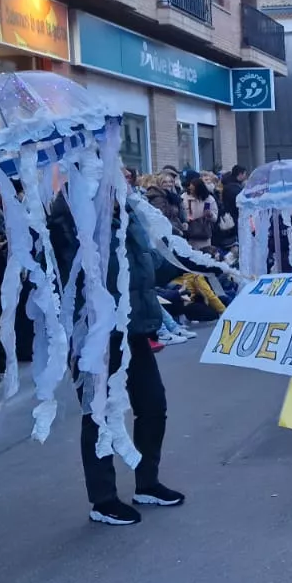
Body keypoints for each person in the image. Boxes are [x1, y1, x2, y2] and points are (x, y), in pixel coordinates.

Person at [51, 195, 185, 526]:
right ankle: (103, 500)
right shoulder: (70, 219)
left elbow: (148, 263)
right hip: (95, 337)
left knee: (153, 405)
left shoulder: (127, 215)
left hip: (135, 330)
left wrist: (187, 262)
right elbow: (60, 269)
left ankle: (147, 482)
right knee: (97, 417)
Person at [182, 176, 219, 250]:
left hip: (203, 233)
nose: (192, 192)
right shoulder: (184, 197)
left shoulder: (209, 199)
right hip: (189, 232)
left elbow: (215, 218)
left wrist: (210, 215)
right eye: (190, 189)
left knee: (204, 254)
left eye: (194, 190)